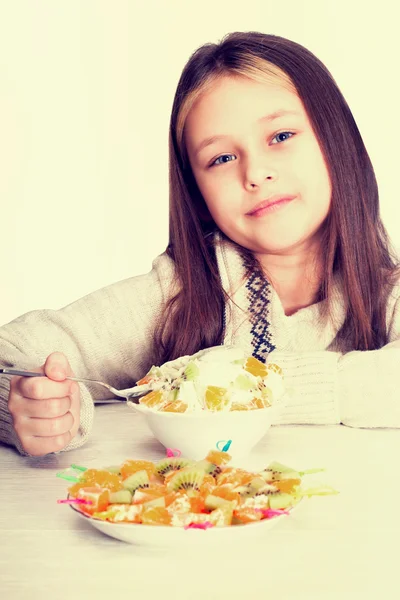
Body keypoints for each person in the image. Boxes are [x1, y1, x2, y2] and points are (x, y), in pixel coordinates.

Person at [1, 31, 399, 458]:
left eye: (280, 136)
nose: (256, 172)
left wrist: (227, 385)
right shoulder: (178, 296)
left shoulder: (385, 288)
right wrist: (25, 403)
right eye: (221, 159)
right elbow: (14, 352)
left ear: (336, 140)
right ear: (198, 193)